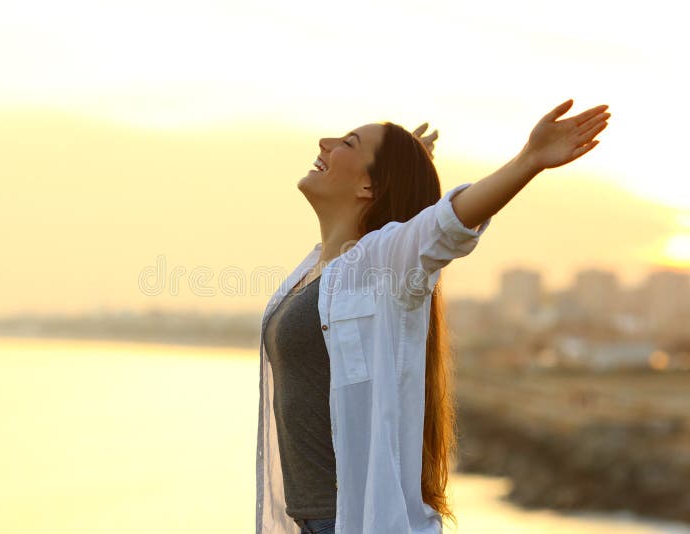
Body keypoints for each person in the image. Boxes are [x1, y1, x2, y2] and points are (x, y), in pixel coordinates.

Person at [256, 99, 610, 534]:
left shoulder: (384, 262)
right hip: (308, 521)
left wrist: (528, 160)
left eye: (347, 142)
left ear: (368, 186)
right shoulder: (317, 273)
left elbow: (448, 224)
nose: (325, 143)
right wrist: (404, 167)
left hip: (354, 521)